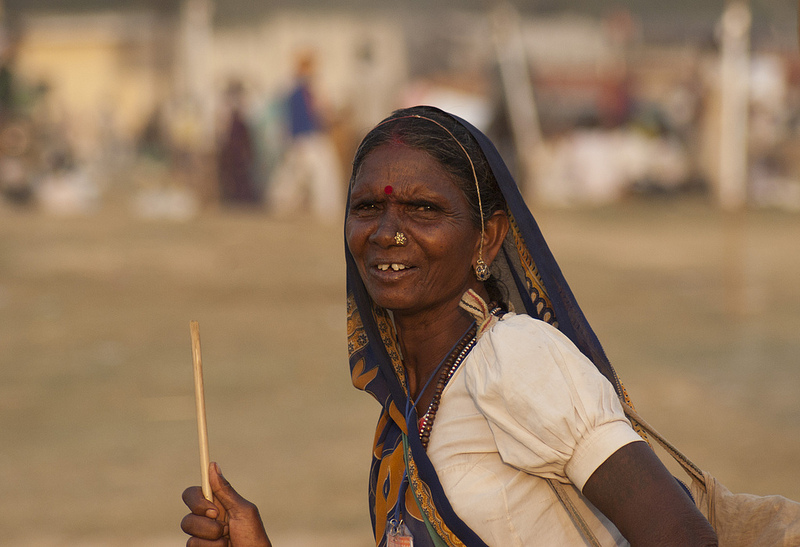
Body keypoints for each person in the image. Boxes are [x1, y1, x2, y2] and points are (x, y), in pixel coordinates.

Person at [181, 105, 718, 546]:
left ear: (487, 238)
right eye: (367, 206)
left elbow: (682, 539)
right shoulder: (408, 410)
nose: (388, 232)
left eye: (423, 209)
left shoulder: (517, 360)